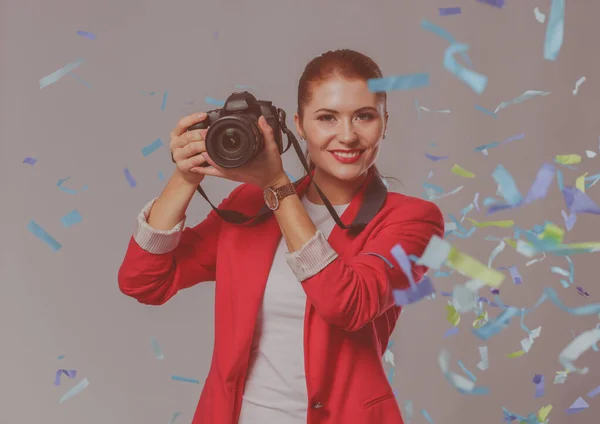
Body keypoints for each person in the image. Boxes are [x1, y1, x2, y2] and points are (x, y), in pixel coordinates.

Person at [118, 49, 444, 424]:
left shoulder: (415, 220)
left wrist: (277, 187)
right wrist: (186, 176)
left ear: (385, 122)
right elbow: (143, 282)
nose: (348, 135)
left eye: (364, 116)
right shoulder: (249, 204)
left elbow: (348, 305)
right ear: (300, 125)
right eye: (327, 118)